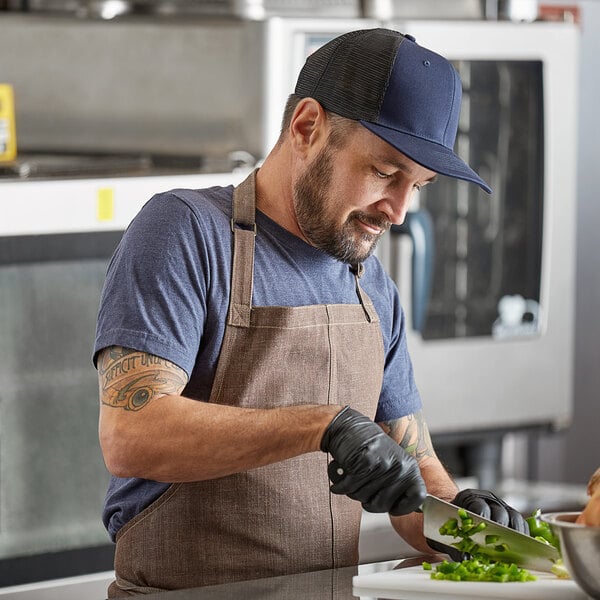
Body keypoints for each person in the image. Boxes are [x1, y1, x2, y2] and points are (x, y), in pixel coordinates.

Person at [94, 28, 527, 597]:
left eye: (417, 186)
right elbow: (132, 434)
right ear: (307, 126)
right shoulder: (186, 232)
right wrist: (323, 426)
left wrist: (467, 520)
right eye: (384, 172)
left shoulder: (373, 288)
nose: (398, 211)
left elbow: (415, 480)